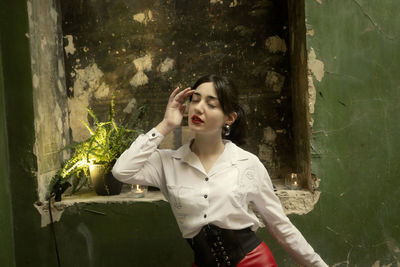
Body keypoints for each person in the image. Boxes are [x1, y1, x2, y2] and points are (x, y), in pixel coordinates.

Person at [112, 74, 328, 267]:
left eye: (211, 104)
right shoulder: (168, 162)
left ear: (229, 118)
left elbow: (280, 226)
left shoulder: (246, 163)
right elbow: (122, 171)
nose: (198, 108)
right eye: (195, 100)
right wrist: (166, 124)